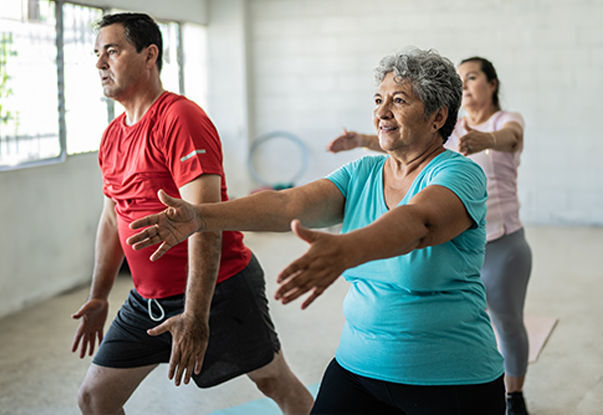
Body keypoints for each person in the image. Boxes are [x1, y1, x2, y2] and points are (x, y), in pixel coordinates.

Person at [126, 47, 506, 414]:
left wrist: (347, 249)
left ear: (438, 117)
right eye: (378, 100)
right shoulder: (363, 173)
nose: (382, 113)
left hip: (452, 380)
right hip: (359, 369)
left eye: (399, 101)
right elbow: (288, 204)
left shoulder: (458, 173)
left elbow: (419, 223)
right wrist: (201, 216)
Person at [70, 13, 312, 415]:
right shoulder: (112, 135)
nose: (99, 63)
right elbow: (113, 218)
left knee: (274, 380)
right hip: (147, 300)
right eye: (97, 53)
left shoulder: (180, 119)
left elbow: (204, 220)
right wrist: (98, 296)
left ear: (150, 55)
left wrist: (196, 314)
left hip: (221, 291)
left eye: (111, 51)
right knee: (95, 397)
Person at [328, 56, 533, 415]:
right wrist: (362, 138)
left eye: (473, 77)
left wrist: (485, 138)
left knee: (507, 321)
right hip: (454, 242)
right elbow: (409, 139)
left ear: (493, 83)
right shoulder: (452, 127)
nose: (466, 84)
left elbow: (511, 138)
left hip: (502, 242)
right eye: (461, 79)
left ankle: (514, 395)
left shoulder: (506, 120)